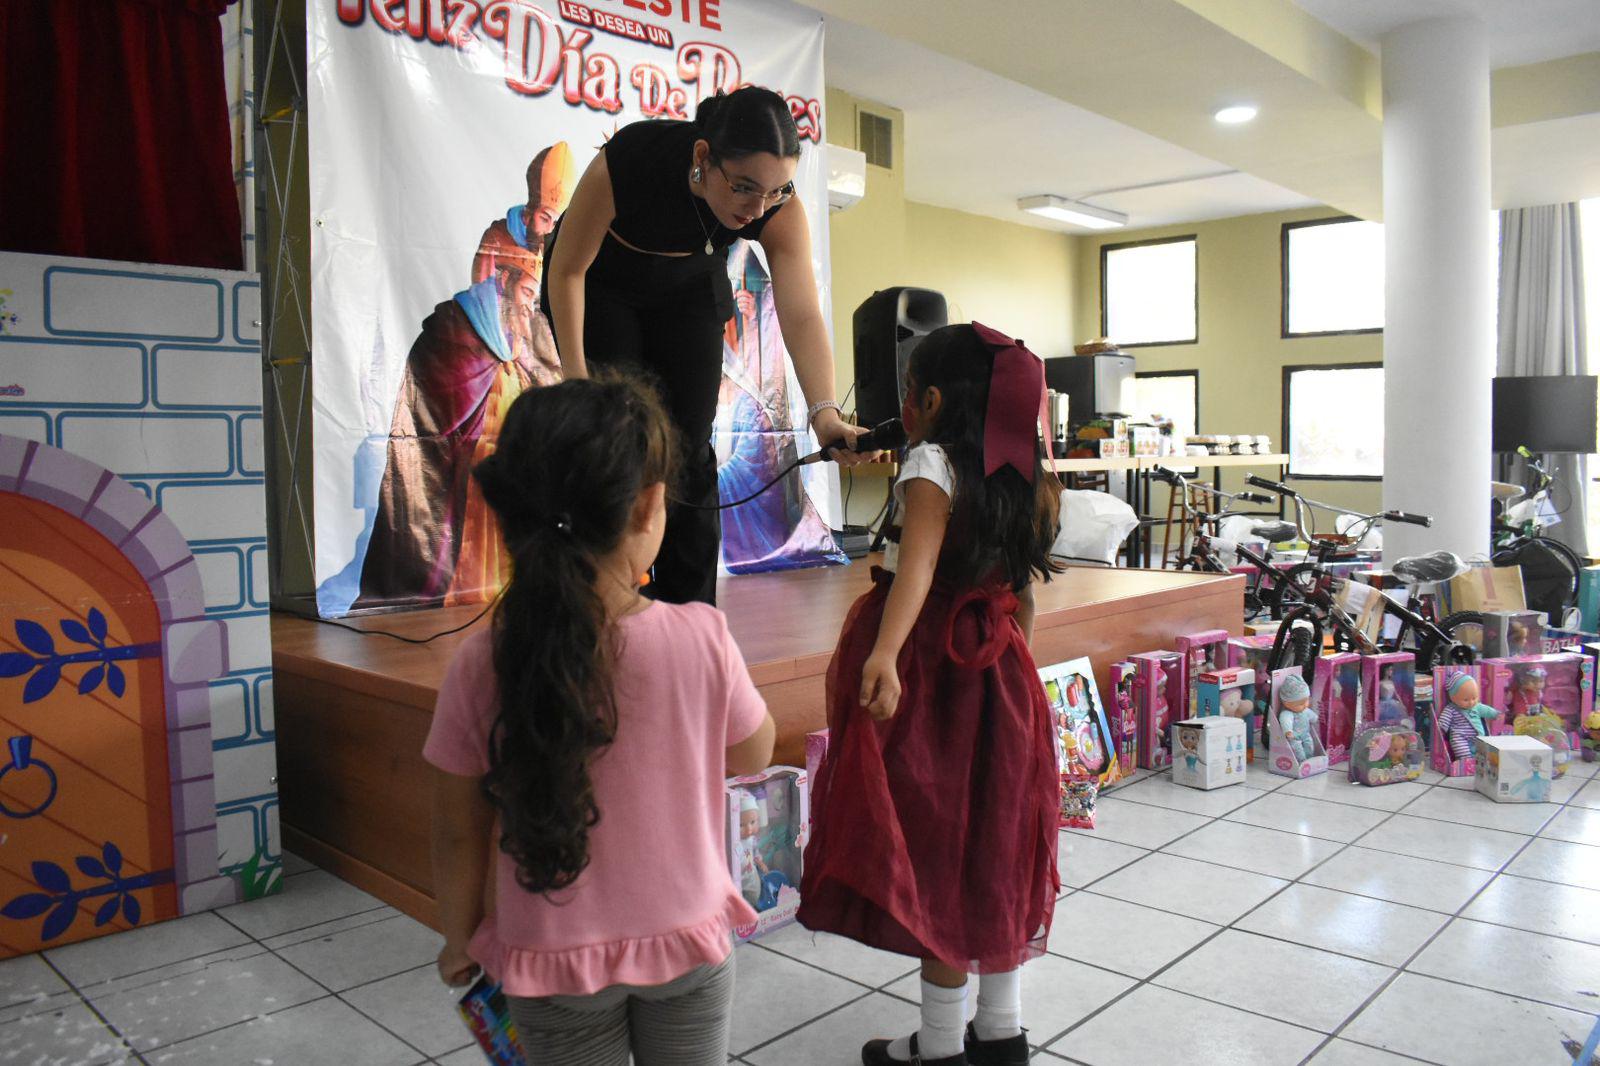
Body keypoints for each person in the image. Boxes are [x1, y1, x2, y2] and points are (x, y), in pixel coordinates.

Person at [425, 374, 777, 1064]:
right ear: (648, 507)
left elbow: (454, 825)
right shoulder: (702, 636)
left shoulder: (480, 660)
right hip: (686, 945)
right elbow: (755, 752)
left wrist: (457, 933)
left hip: (550, 962)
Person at [798, 323, 1064, 1066]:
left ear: (931, 402)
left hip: (933, 675)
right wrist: (1019, 671)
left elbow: (913, 572)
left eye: (907, 394)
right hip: (1000, 675)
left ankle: (940, 1046)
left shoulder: (929, 463)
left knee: (939, 850)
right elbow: (1024, 593)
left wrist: (884, 655)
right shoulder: (1031, 475)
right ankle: (1001, 1032)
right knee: (995, 845)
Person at [544, 85, 869, 606]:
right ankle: (592, 608)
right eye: (745, 188)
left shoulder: (776, 206)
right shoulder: (633, 160)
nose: (758, 207)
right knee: (614, 440)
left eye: (777, 190)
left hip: (690, 286)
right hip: (603, 282)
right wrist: (576, 381)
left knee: (689, 449)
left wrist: (825, 414)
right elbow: (567, 269)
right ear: (703, 158)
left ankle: (690, 621)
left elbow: (802, 312)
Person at [356, 253, 557, 608]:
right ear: (505, 286)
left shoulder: (519, 342)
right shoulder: (454, 330)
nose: (529, 306)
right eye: (526, 293)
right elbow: (440, 410)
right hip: (462, 476)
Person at [471, 141, 577, 288]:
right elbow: (482, 297)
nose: (549, 230)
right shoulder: (496, 239)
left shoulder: (557, 249)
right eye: (544, 219)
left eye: (555, 223)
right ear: (530, 211)